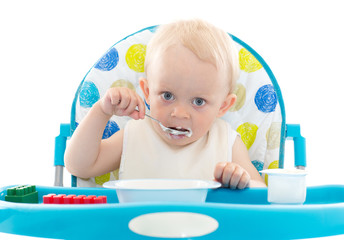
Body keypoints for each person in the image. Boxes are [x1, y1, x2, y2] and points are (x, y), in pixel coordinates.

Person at [65, 19, 266, 189]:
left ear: (223, 106)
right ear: (147, 93)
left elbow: (261, 194)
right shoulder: (134, 134)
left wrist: (241, 181)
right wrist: (102, 111)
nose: (179, 113)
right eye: (167, 96)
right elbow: (80, 166)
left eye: (198, 101)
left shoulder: (226, 141)